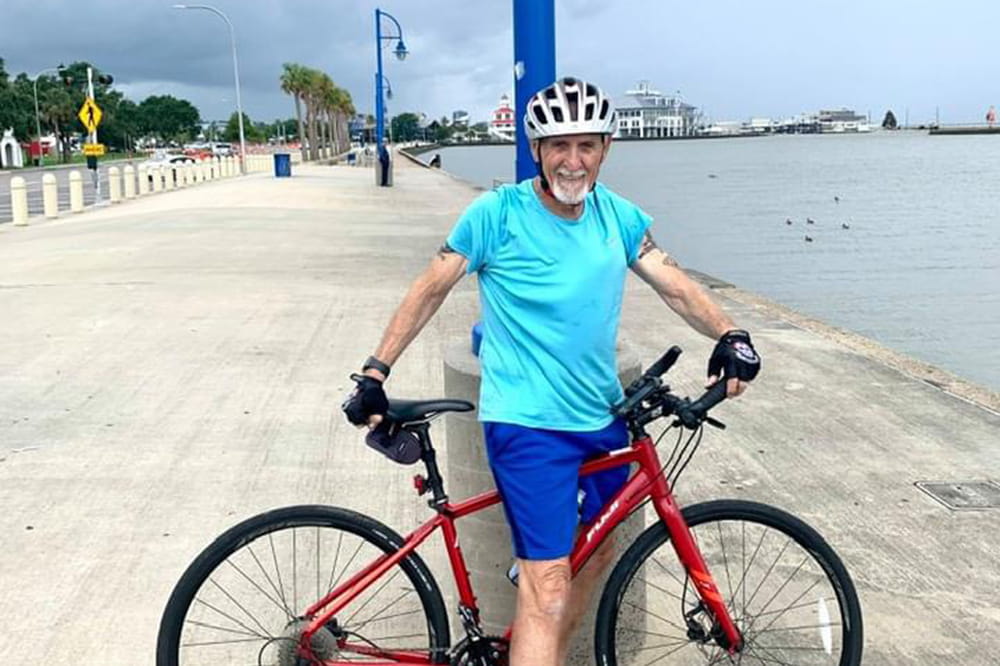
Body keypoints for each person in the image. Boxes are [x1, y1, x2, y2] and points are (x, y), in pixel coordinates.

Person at [343, 77, 761, 666]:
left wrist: (730, 334)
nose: (572, 160)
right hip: (528, 424)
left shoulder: (617, 217)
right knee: (547, 586)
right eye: (558, 146)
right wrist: (375, 369)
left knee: (595, 553)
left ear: (605, 149)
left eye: (586, 145)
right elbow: (431, 286)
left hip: (602, 419)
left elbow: (675, 284)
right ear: (536, 151)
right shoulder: (497, 213)